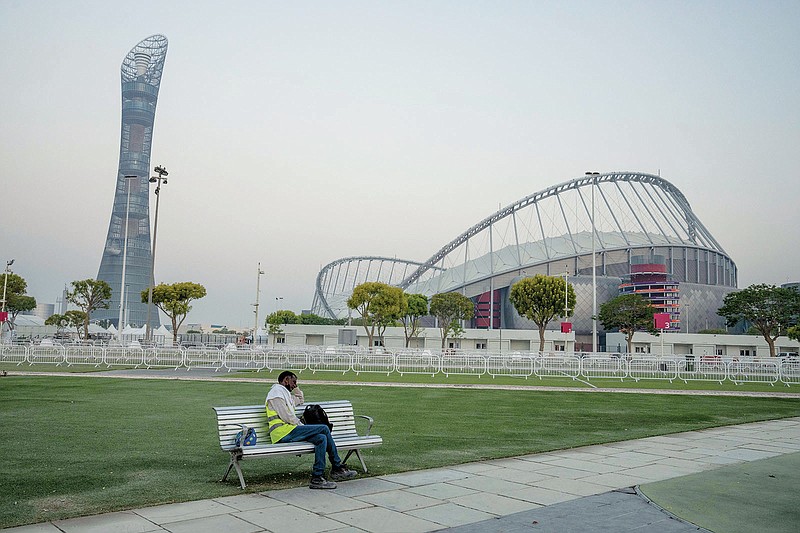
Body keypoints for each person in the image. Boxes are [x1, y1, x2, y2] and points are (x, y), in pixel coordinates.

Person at [265, 370, 357, 489]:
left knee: (321, 438)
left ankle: (317, 477)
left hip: (290, 431)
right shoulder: (276, 394)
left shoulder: (285, 394)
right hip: (282, 433)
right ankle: (337, 467)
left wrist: (296, 387)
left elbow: (300, 399)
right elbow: (286, 416)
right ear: (286, 380)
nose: (294, 385)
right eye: (293, 382)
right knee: (324, 428)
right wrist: (302, 426)